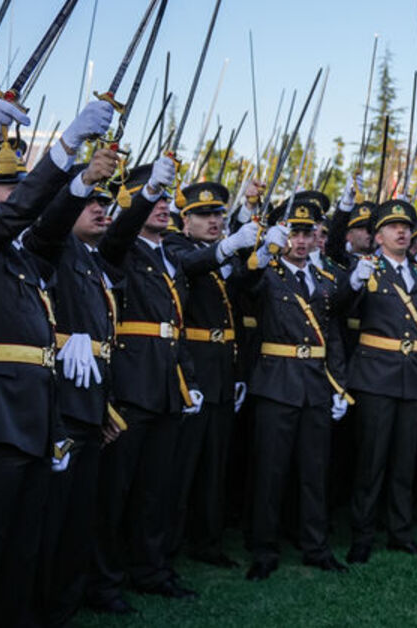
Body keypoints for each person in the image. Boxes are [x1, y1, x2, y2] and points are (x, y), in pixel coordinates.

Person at [0, 100, 114, 627]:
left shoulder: (20, 256)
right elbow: (19, 215)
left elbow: (49, 227)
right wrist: (63, 148)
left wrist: (80, 180)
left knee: (22, 552)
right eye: (10, 193)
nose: (22, 200)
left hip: (33, 419)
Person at [90, 156, 201, 612]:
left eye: (163, 198)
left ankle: (150, 569)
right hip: (132, 384)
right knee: (115, 492)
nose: (162, 206)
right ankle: (104, 581)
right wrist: (145, 194)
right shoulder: (118, 246)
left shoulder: (170, 255)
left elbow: (176, 325)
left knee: (156, 490)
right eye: (150, 198)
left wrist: (187, 379)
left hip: (166, 384)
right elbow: (118, 235)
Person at [29, 159, 123, 627]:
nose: (101, 209)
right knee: (52, 516)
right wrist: (78, 184)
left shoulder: (92, 260)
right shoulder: (54, 246)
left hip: (89, 401)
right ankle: (42, 605)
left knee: (78, 516)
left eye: (106, 202)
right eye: (91, 202)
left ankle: (65, 603)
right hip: (59, 402)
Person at [243, 195, 352, 580]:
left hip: (315, 385)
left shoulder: (324, 280)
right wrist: (261, 251)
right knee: (270, 472)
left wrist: (339, 385)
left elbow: (332, 336)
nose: (301, 241)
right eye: (294, 233)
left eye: (308, 233)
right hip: (277, 382)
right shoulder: (267, 273)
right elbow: (244, 283)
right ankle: (264, 549)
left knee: (314, 471)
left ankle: (316, 546)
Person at [341, 198, 417, 564]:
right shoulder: (365, 270)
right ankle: (362, 535)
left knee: (406, 461)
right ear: (378, 236)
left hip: (414, 377)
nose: (401, 232)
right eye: (392, 227)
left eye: (405, 227)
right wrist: (353, 283)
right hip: (375, 376)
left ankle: (400, 532)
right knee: (371, 461)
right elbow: (339, 309)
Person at [165, 182, 259, 568]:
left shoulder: (222, 254)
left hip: (221, 369)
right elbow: (191, 265)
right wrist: (230, 245)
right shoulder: (176, 246)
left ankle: (208, 541)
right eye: (204, 215)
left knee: (214, 465)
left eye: (218, 214)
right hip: (193, 369)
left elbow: (241, 291)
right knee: (182, 465)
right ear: (185, 220)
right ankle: (167, 546)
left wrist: (260, 254)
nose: (214, 221)